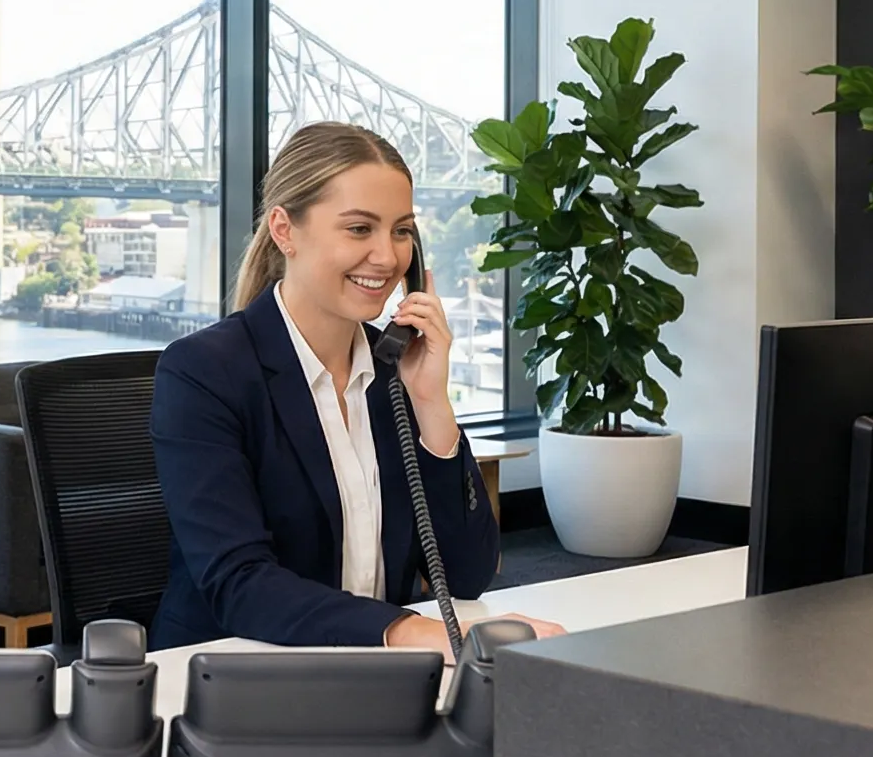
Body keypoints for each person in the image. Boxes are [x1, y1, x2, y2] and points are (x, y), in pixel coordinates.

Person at [146, 122, 566, 653]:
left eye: (401, 231)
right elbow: (239, 583)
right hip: (235, 669)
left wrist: (432, 404)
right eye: (360, 229)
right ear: (284, 230)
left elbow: (467, 575)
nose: (388, 257)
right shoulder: (204, 372)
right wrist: (406, 631)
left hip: (383, 671)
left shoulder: (394, 370)